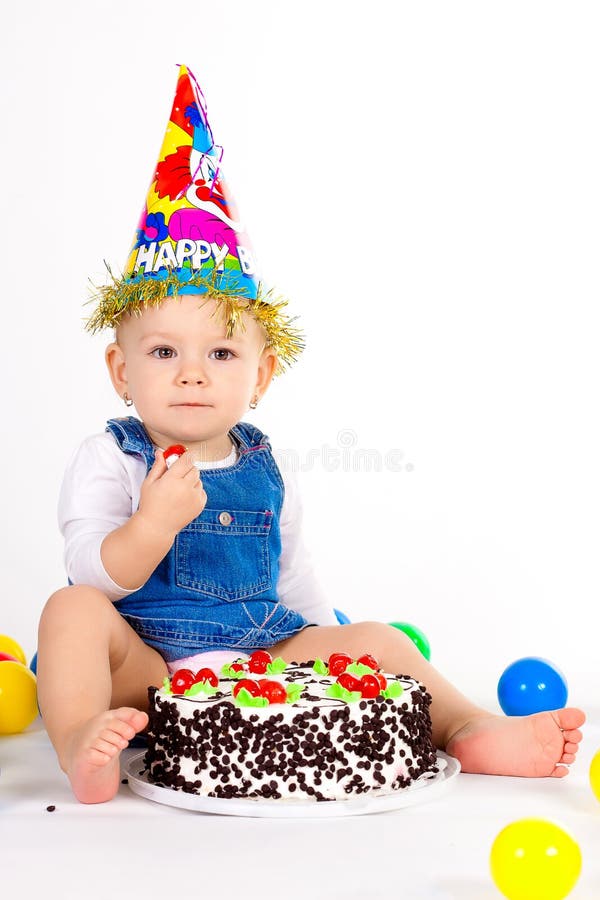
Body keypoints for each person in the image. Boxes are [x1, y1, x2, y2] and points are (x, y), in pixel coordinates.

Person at [37, 66, 585, 805]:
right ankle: (80, 742)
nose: (192, 375)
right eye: (164, 352)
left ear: (261, 376)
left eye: (221, 354)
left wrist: (340, 649)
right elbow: (91, 575)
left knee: (382, 640)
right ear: (120, 371)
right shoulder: (111, 455)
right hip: (151, 667)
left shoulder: (265, 466)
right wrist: (151, 526)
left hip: (263, 656)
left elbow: (295, 580)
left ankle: (466, 727)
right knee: (69, 613)